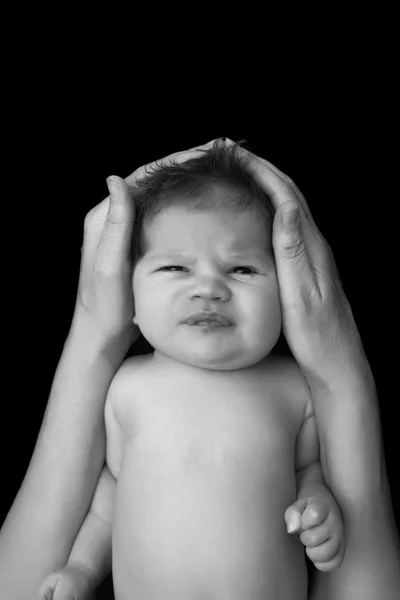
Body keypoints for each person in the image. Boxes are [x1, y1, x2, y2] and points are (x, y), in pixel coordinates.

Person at [0, 138, 398, 599]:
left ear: (290, 293)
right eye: (174, 268)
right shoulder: (126, 388)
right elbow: (109, 499)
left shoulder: (295, 388)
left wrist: (320, 510)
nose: (208, 288)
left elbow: (310, 472)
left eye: (242, 270)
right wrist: (81, 570)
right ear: (128, 295)